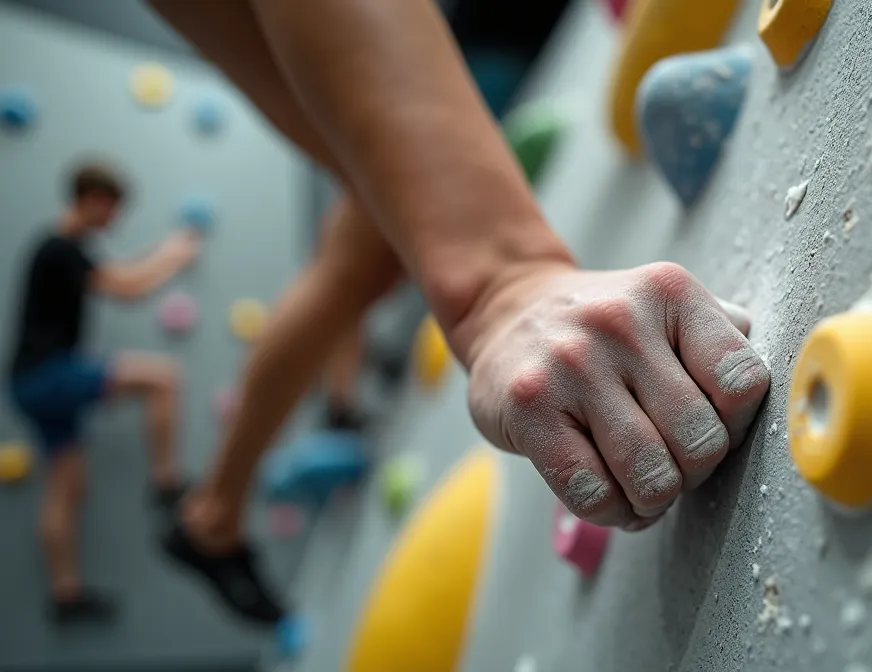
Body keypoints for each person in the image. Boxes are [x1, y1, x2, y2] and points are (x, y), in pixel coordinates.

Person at [148, 0, 771, 626]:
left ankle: (214, 510)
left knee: (365, 244)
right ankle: (213, 509)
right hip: (469, 49)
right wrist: (503, 284)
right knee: (359, 250)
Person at [7, 163, 199, 625]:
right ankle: (166, 484)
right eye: (113, 209)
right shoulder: (61, 247)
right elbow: (127, 287)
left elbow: (118, 270)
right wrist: (176, 255)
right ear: (92, 199)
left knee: (67, 484)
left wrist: (160, 251)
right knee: (164, 378)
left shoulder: (62, 248)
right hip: (49, 375)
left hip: (28, 382)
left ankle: (65, 596)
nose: (115, 220)